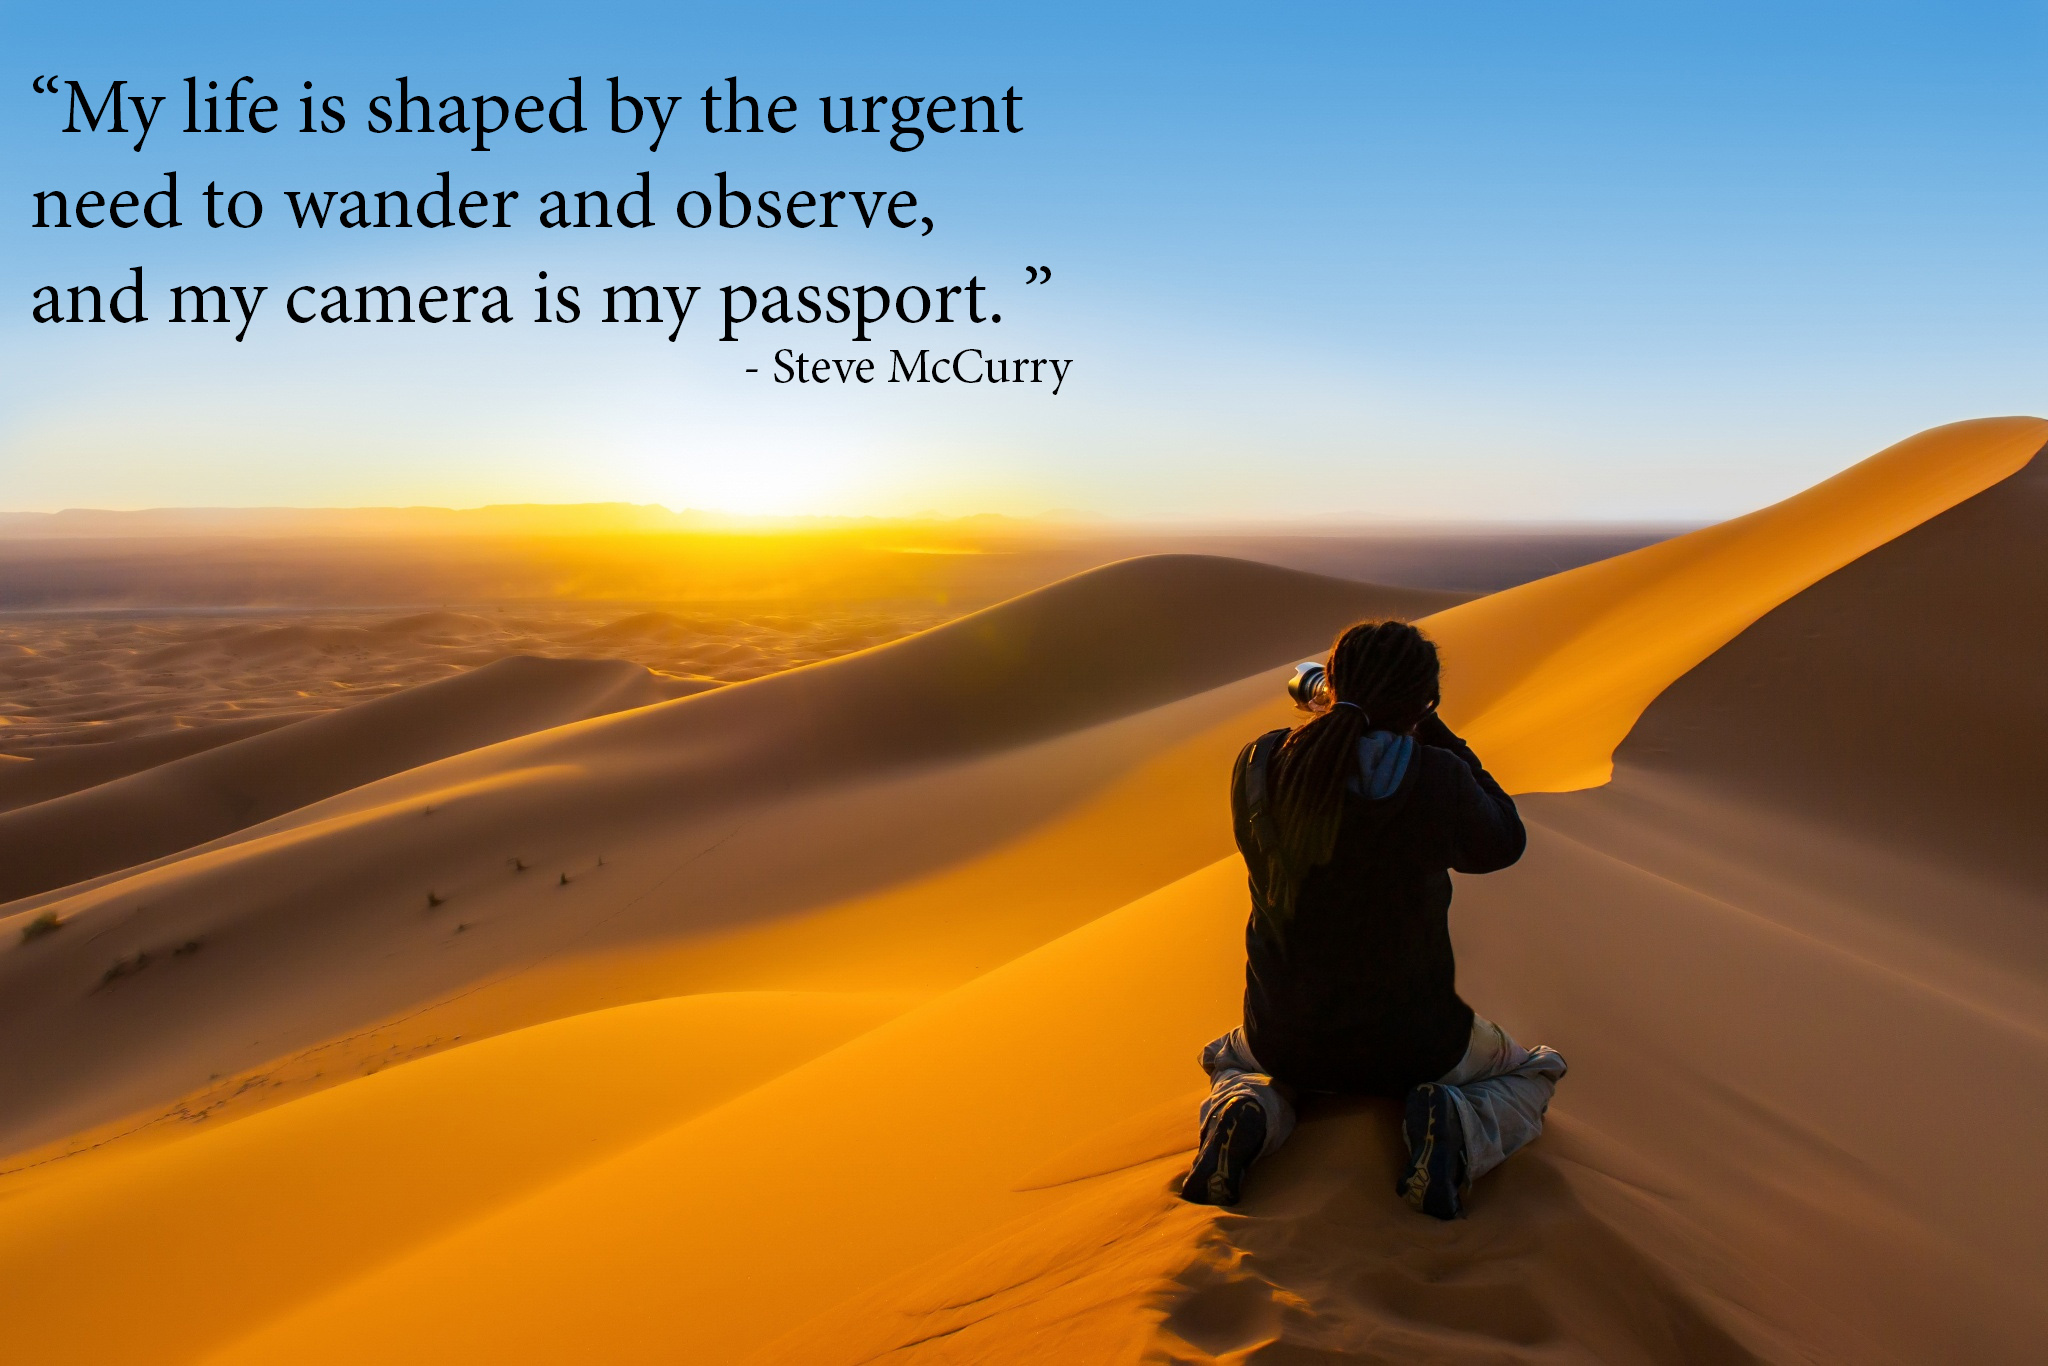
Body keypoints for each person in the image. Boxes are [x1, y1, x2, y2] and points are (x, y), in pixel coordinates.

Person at [1181, 619, 1566, 1219]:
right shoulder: (1437, 777)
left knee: (1230, 1058)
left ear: (1331, 686)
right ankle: (1459, 1127)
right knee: (1532, 1070)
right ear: (1422, 701)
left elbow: (1324, 779)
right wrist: (1433, 729)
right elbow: (1502, 841)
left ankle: (1252, 1109)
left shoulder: (1257, 762)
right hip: (1415, 1045)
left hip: (1284, 1033)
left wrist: (1346, 716)